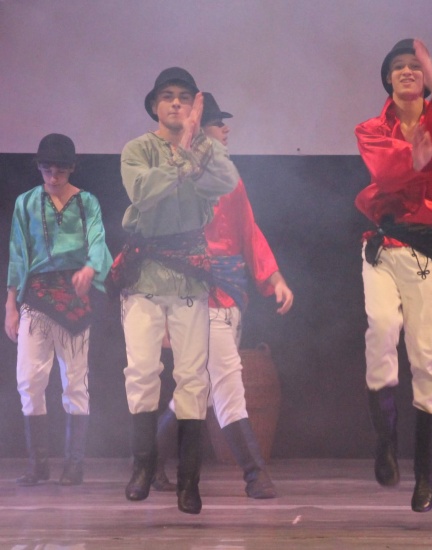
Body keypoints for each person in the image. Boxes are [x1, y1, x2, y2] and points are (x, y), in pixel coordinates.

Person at [107, 67, 238, 514]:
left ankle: (189, 480)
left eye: (184, 96)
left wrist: (198, 146)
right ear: (155, 105)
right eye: (168, 96)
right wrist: (183, 156)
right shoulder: (137, 149)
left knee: (192, 376)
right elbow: (143, 192)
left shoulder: (206, 149)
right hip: (144, 275)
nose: (177, 103)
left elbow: (225, 182)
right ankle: (143, 466)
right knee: (142, 371)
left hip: (189, 275)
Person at [151, 92, 293, 499]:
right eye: (217, 123)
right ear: (197, 128)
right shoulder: (177, 178)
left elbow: (249, 230)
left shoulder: (230, 176)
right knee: (228, 382)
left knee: (196, 390)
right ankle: (255, 474)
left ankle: (147, 459)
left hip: (230, 295)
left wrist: (274, 277)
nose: (225, 129)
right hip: (198, 295)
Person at [355, 38, 432, 512]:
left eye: (414, 67)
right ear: (387, 78)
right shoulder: (370, 128)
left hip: (425, 249)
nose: (407, 72)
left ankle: (426, 470)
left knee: (425, 356)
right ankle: (385, 440)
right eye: (399, 67)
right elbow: (385, 172)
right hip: (382, 246)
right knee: (383, 327)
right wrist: (414, 160)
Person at [5, 133, 112, 486]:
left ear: (72, 168)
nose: (53, 176)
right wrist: (10, 304)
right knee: (29, 379)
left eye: (60, 170)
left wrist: (90, 268)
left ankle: (74, 464)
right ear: (39, 167)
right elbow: (18, 253)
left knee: (75, 381)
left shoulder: (87, 202)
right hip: (36, 297)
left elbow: (98, 239)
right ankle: (38, 465)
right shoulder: (26, 203)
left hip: (74, 296)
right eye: (47, 168)